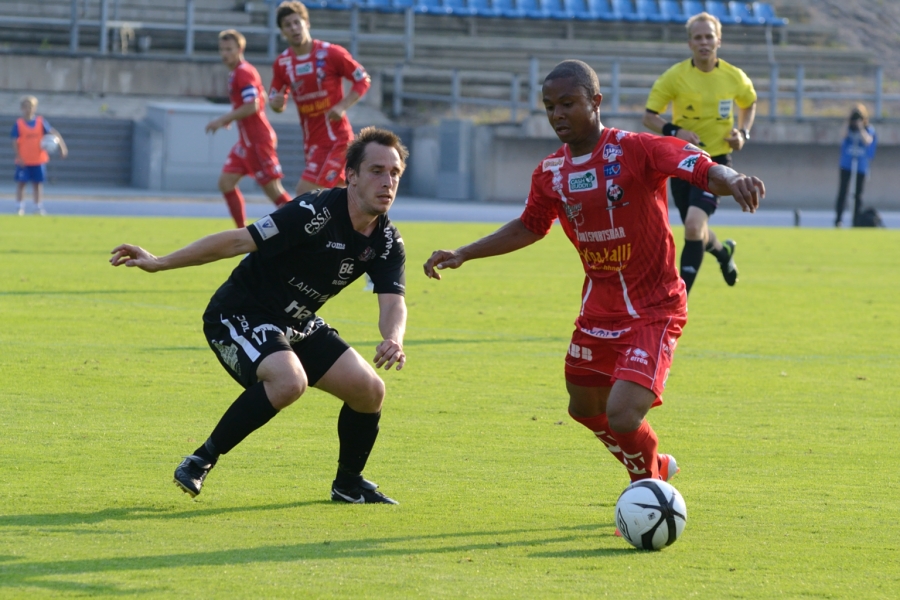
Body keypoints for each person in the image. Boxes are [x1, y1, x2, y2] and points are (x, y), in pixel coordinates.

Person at [423, 61, 763, 507]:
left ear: (595, 102)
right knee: (583, 408)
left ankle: (649, 489)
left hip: (654, 306)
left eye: (568, 103)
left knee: (622, 414)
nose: (558, 114)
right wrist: (466, 252)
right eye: (549, 107)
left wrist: (734, 178)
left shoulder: (637, 149)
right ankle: (654, 467)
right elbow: (530, 225)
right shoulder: (550, 172)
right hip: (598, 310)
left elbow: (700, 167)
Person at [110, 127, 409, 504]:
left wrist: (394, 337)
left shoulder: (386, 241)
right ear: (351, 175)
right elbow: (238, 240)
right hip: (240, 311)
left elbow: (392, 301)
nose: (388, 182)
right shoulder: (313, 212)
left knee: (370, 391)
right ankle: (200, 460)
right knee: (289, 382)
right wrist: (160, 262)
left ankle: (348, 483)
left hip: (295, 322)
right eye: (377, 170)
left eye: (395, 173)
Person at [643, 12, 757, 294]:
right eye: (698, 37)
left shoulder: (734, 77)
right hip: (682, 161)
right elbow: (649, 116)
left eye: (709, 37)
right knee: (697, 230)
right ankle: (722, 252)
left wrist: (742, 134)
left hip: (717, 163)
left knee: (693, 226)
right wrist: (673, 130)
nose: (704, 42)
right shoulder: (675, 76)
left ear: (718, 40)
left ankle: (679, 300)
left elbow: (750, 102)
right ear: (690, 43)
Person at [268, 1, 371, 195]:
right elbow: (275, 98)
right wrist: (276, 105)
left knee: (304, 194)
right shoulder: (282, 63)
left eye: (297, 22)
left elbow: (362, 79)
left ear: (307, 23)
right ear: (282, 32)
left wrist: (342, 106)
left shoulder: (331, 53)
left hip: (335, 140)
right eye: (287, 25)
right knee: (343, 202)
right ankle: (374, 225)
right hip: (311, 143)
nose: (294, 28)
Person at [206, 29, 293, 228]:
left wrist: (223, 119)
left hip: (258, 141)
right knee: (226, 182)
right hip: (246, 143)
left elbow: (253, 104)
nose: (224, 54)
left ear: (240, 49)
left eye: (229, 49)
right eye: (221, 49)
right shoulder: (236, 73)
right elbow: (260, 96)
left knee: (274, 191)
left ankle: (306, 227)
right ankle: (241, 232)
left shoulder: (243, 72)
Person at [11, 95, 68, 216]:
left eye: (31, 107)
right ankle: (19, 207)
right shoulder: (19, 124)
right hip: (24, 160)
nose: (28, 109)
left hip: (38, 159)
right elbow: (14, 142)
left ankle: (37, 207)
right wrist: (19, 156)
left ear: (35, 108)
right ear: (22, 108)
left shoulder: (41, 122)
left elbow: (54, 133)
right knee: (21, 184)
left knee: (37, 184)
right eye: (26, 107)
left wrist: (62, 147)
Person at [834, 104, 877, 227]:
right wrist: (849, 122)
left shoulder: (868, 128)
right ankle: (838, 219)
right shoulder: (848, 128)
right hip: (846, 164)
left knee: (858, 195)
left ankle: (856, 221)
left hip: (860, 165)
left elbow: (868, 141)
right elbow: (842, 135)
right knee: (843, 192)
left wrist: (860, 127)